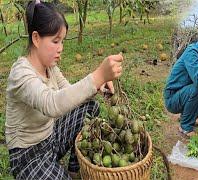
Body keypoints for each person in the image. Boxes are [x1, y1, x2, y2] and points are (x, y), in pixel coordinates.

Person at [5, 0, 123, 179]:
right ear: (36, 38)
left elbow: (70, 96)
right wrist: (97, 75)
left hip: (50, 140)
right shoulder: (21, 73)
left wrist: (98, 86)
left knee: (89, 108)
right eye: (55, 41)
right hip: (28, 157)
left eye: (62, 41)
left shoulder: (50, 67)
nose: (61, 48)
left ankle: (74, 170)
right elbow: (52, 104)